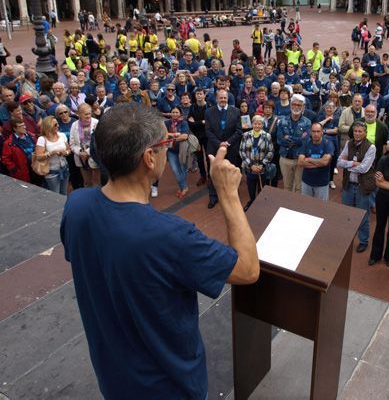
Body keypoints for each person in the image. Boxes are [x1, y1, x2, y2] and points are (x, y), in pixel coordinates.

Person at [60, 103, 258, 400]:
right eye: (166, 142)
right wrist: (229, 193)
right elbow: (247, 269)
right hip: (169, 386)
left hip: (114, 377)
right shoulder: (170, 236)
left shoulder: (77, 207)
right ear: (149, 158)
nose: (170, 147)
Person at [338, 121, 376, 253]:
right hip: (348, 185)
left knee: (363, 216)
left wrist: (348, 165)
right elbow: (339, 162)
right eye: (355, 131)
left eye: (360, 131)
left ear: (365, 132)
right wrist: (354, 163)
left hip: (362, 187)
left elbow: (364, 169)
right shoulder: (349, 144)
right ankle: (347, 238)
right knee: (346, 214)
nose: (357, 134)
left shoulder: (371, 147)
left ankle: (363, 240)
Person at [205, 89, 242, 208]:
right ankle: (213, 196)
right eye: (220, 98)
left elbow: (238, 131)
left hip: (231, 148)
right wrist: (219, 144)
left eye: (225, 98)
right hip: (214, 147)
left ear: (228, 99)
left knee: (230, 172)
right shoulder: (209, 112)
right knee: (213, 173)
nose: (223, 100)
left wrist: (227, 143)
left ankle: (230, 194)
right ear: (216, 99)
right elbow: (208, 131)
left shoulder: (236, 111)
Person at [277, 95, 312, 193]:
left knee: (299, 187)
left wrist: (288, 137)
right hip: (285, 158)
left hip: (299, 159)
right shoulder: (282, 121)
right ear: (290, 105)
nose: (296, 107)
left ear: (303, 107)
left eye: (299, 105)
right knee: (287, 186)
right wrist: (298, 139)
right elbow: (279, 140)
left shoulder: (307, 122)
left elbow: (306, 141)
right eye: (294, 104)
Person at [239, 115, 274, 211]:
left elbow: (270, 152)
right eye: (255, 123)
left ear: (262, 125)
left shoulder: (267, 136)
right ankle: (252, 201)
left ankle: (260, 203)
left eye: (259, 124)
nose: (257, 126)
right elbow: (241, 151)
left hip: (262, 169)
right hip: (250, 168)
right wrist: (250, 165)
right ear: (252, 124)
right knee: (251, 187)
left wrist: (262, 165)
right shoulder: (246, 135)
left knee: (261, 188)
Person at [298, 122, 333, 201]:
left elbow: (325, 162)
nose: (316, 134)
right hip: (306, 182)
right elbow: (300, 162)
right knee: (305, 207)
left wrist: (309, 159)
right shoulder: (306, 143)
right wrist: (319, 162)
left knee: (321, 209)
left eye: (318, 131)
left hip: (322, 183)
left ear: (322, 132)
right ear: (310, 132)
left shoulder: (328, 144)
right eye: (313, 131)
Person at [35, 116, 70, 195]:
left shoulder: (62, 135)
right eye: (55, 125)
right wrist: (51, 153)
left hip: (64, 168)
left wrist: (66, 153)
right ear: (48, 126)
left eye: (57, 124)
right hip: (51, 171)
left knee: (64, 193)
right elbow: (39, 157)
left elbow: (68, 150)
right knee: (55, 194)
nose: (58, 126)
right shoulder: (42, 139)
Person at [70, 103, 100, 187]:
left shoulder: (96, 122)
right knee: (87, 182)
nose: (88, 116)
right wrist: (80, 152)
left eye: (90, 113)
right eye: (86, 114)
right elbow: (72, 144)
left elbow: (99, 141)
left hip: (94, 156)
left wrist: (87, 152)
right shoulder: (74, 125)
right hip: (81, 158)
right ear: (79, 114)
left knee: (97, 182)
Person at [164, 105, 190, 199]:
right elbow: (164, 134)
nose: (175, 114)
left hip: (182, 149)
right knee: (176, 170)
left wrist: (171, 137)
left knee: (183, 169)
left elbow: (185, 136)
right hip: (171, 150)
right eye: (173, 112)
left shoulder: (184, 123)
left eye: (176, 112)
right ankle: (184, 187)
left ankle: (182, 187)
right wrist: (176, 134)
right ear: (170, 113)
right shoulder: (166, 123)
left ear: (180, 114)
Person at [2, 118, 35, 183]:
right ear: (15, 129)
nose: (24, 127)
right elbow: (5, 159)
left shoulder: (31, 136)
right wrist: (13, 168)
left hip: (35, 168)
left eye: (24, 125)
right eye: (20, 126)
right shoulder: (9, 143)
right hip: (22, 172)